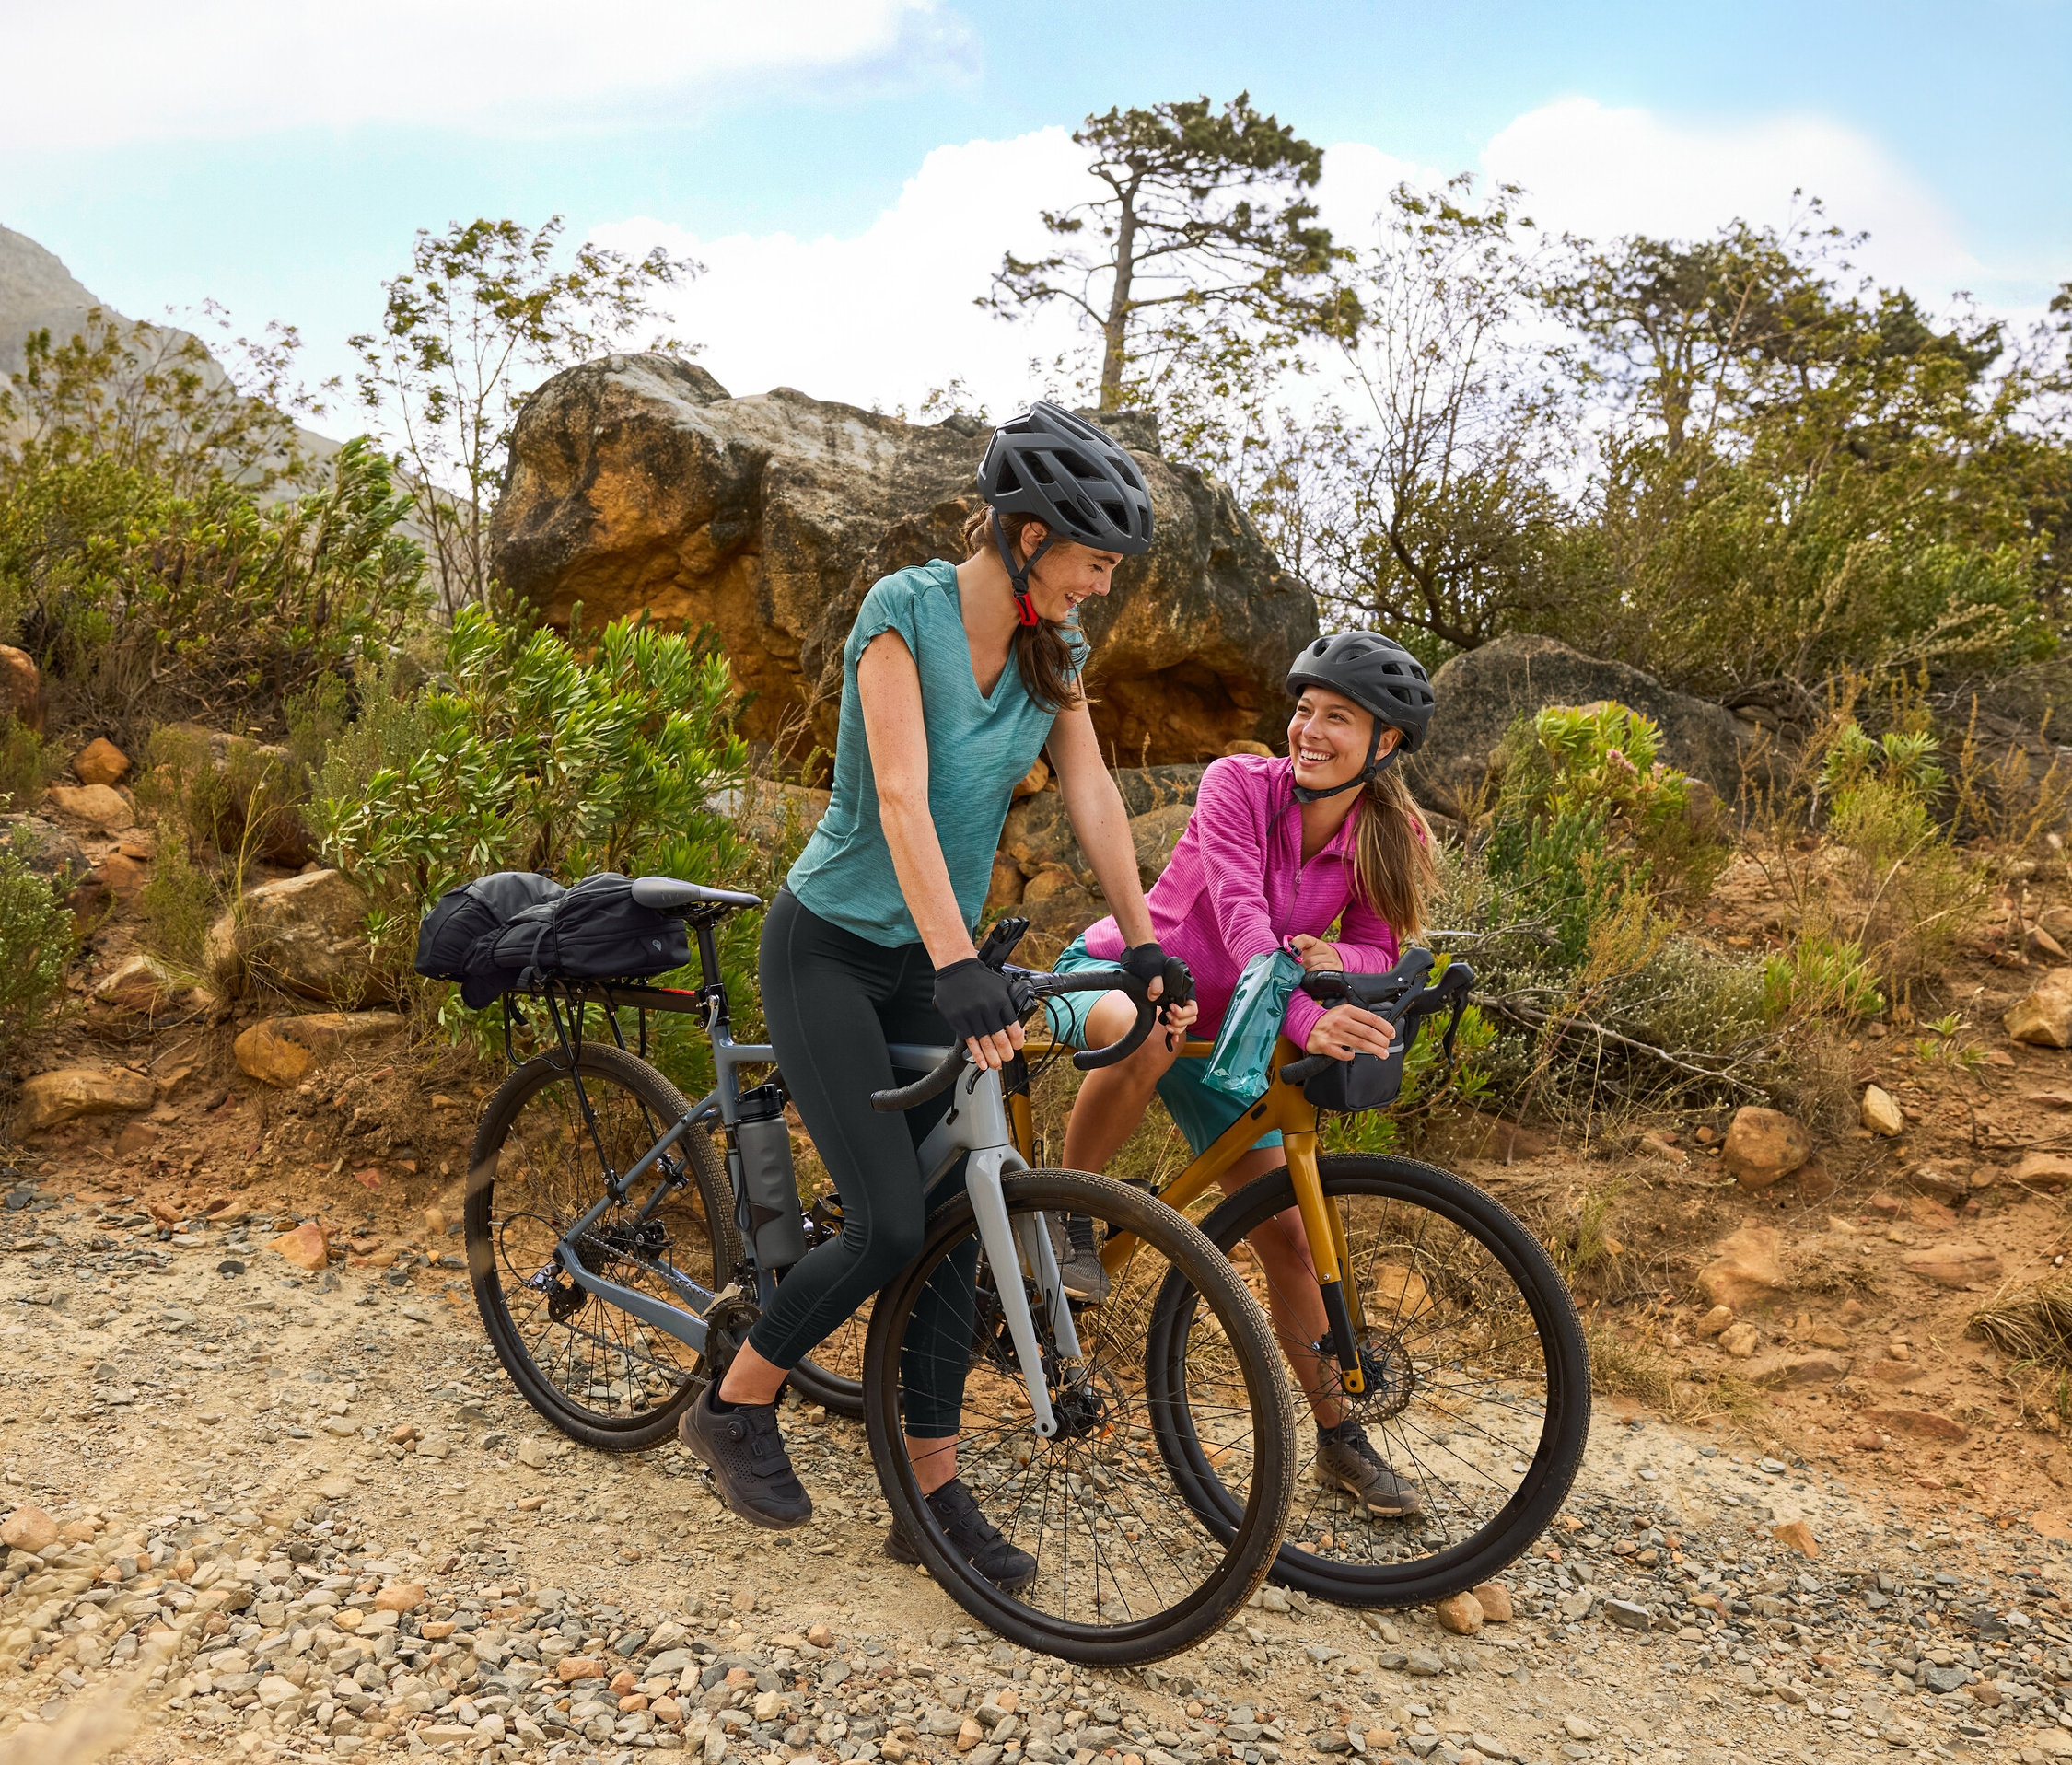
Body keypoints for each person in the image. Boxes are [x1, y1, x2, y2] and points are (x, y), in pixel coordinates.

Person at [680, 401, 1193, 1590]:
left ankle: (929, 1495)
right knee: (888, 1223)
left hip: (932, 953)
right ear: (1024, 536)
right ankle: (735, 1403)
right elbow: (902, 801)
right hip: (831, 950)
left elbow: (1096, 796)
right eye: (1090, 563)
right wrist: (959, 967)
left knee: (963, 1223)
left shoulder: (1051, 654)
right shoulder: (901, 612)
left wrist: (1148, 943)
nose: (1098, 589)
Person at [1047, 630, 1439, 1516]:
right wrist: (1307, 1011)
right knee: (1147, 1030)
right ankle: (1070, 1213)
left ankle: (1340, 1438)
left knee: (1292, 1239)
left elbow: (1380, 943)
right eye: (1304, 710)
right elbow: (1239, 920)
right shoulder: (1236, 784)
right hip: (1132, 979)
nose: (1309, 729)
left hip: (1234, 1034)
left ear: (1385, 746)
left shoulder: (1392, 832)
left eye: (1338, 717)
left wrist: (1337, 953)